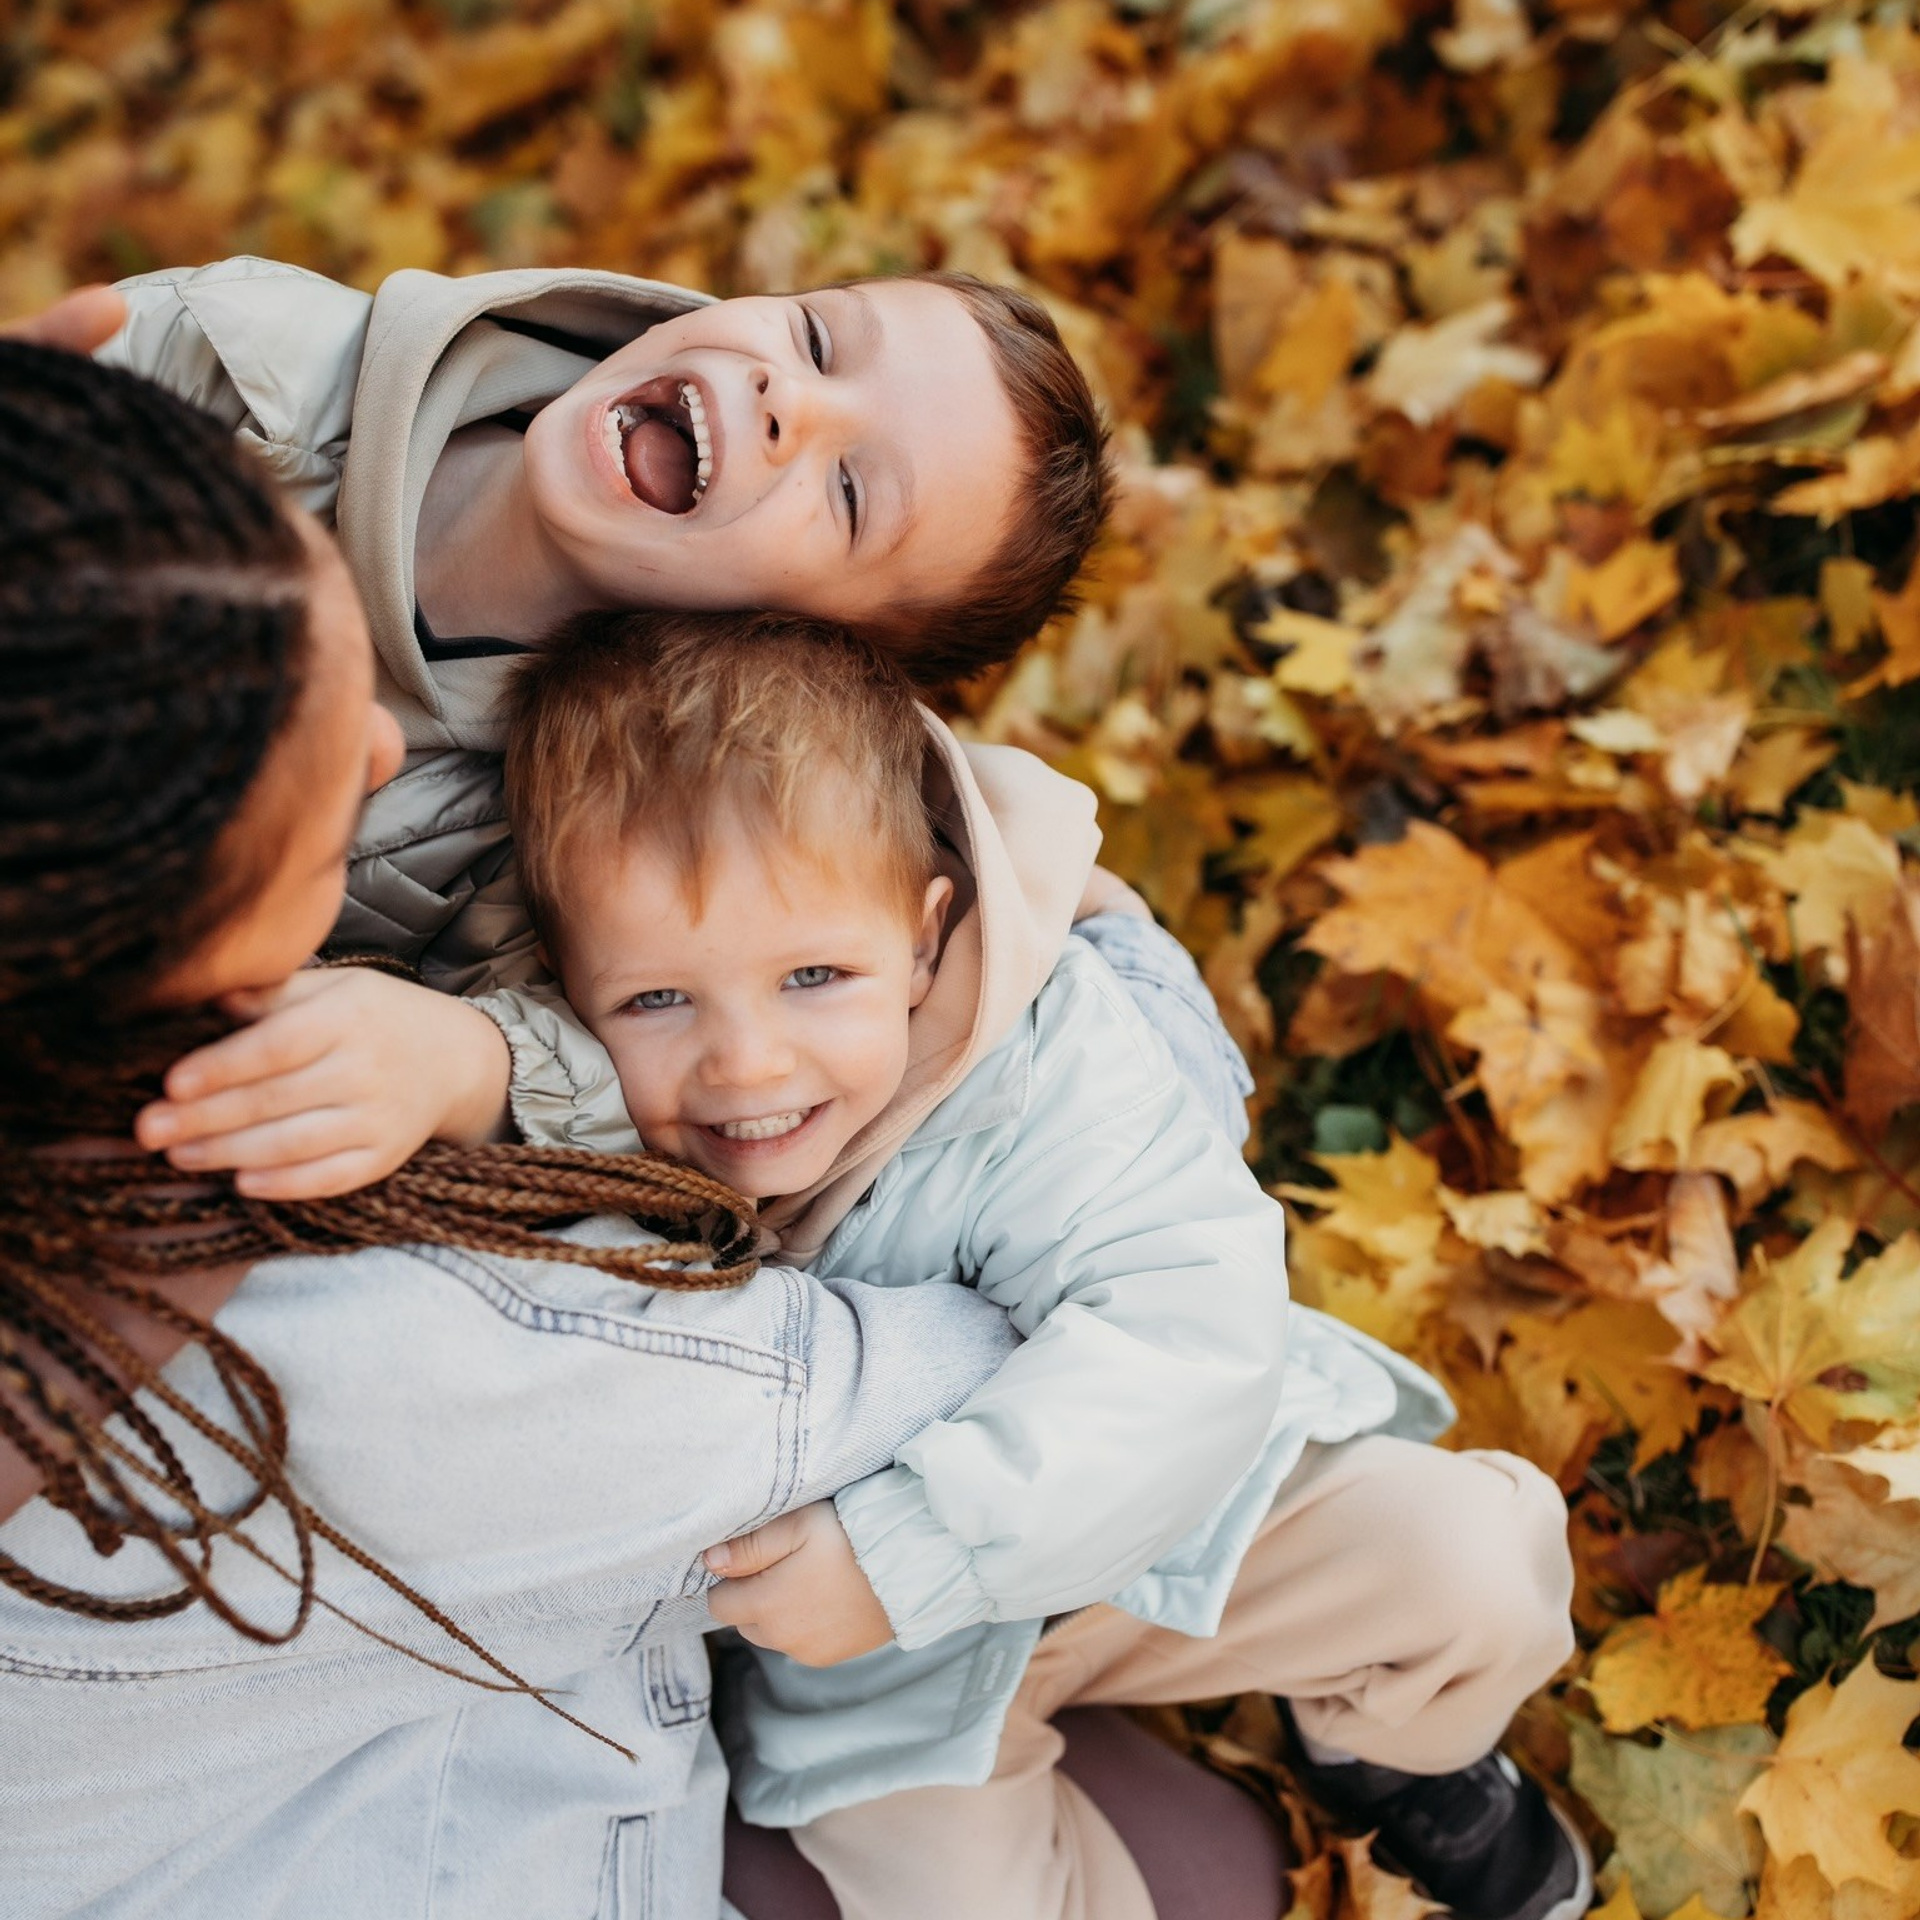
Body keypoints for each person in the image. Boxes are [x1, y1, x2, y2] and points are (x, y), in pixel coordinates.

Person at [308, 607, 1592, 1920]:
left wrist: (908, 1549)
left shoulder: (1041, 1058)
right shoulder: (598, 1110)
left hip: (1134, 1526)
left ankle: (1387, 1751)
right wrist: (459, 1067)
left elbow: (1184, 1338)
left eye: (815, 974)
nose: (746, 1062)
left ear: (925, 936)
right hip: (876, 1672)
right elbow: (532, 1106)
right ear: (576, 987)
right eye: (656, 1000)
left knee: (1470, 1564)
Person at [0, 339, 1034, 1919]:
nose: (385, 752)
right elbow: (974, 1363)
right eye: (319, 777)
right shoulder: (424, 1343)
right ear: (149, 935)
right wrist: (1063, 932)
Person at [98, 250, 1121, 1200]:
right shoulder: (245, 357)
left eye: (848, 492)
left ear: (799, 644)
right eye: (816, 340)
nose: (787, 399)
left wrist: (469, 1064)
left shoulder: (588, 826)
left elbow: (642, 1070)